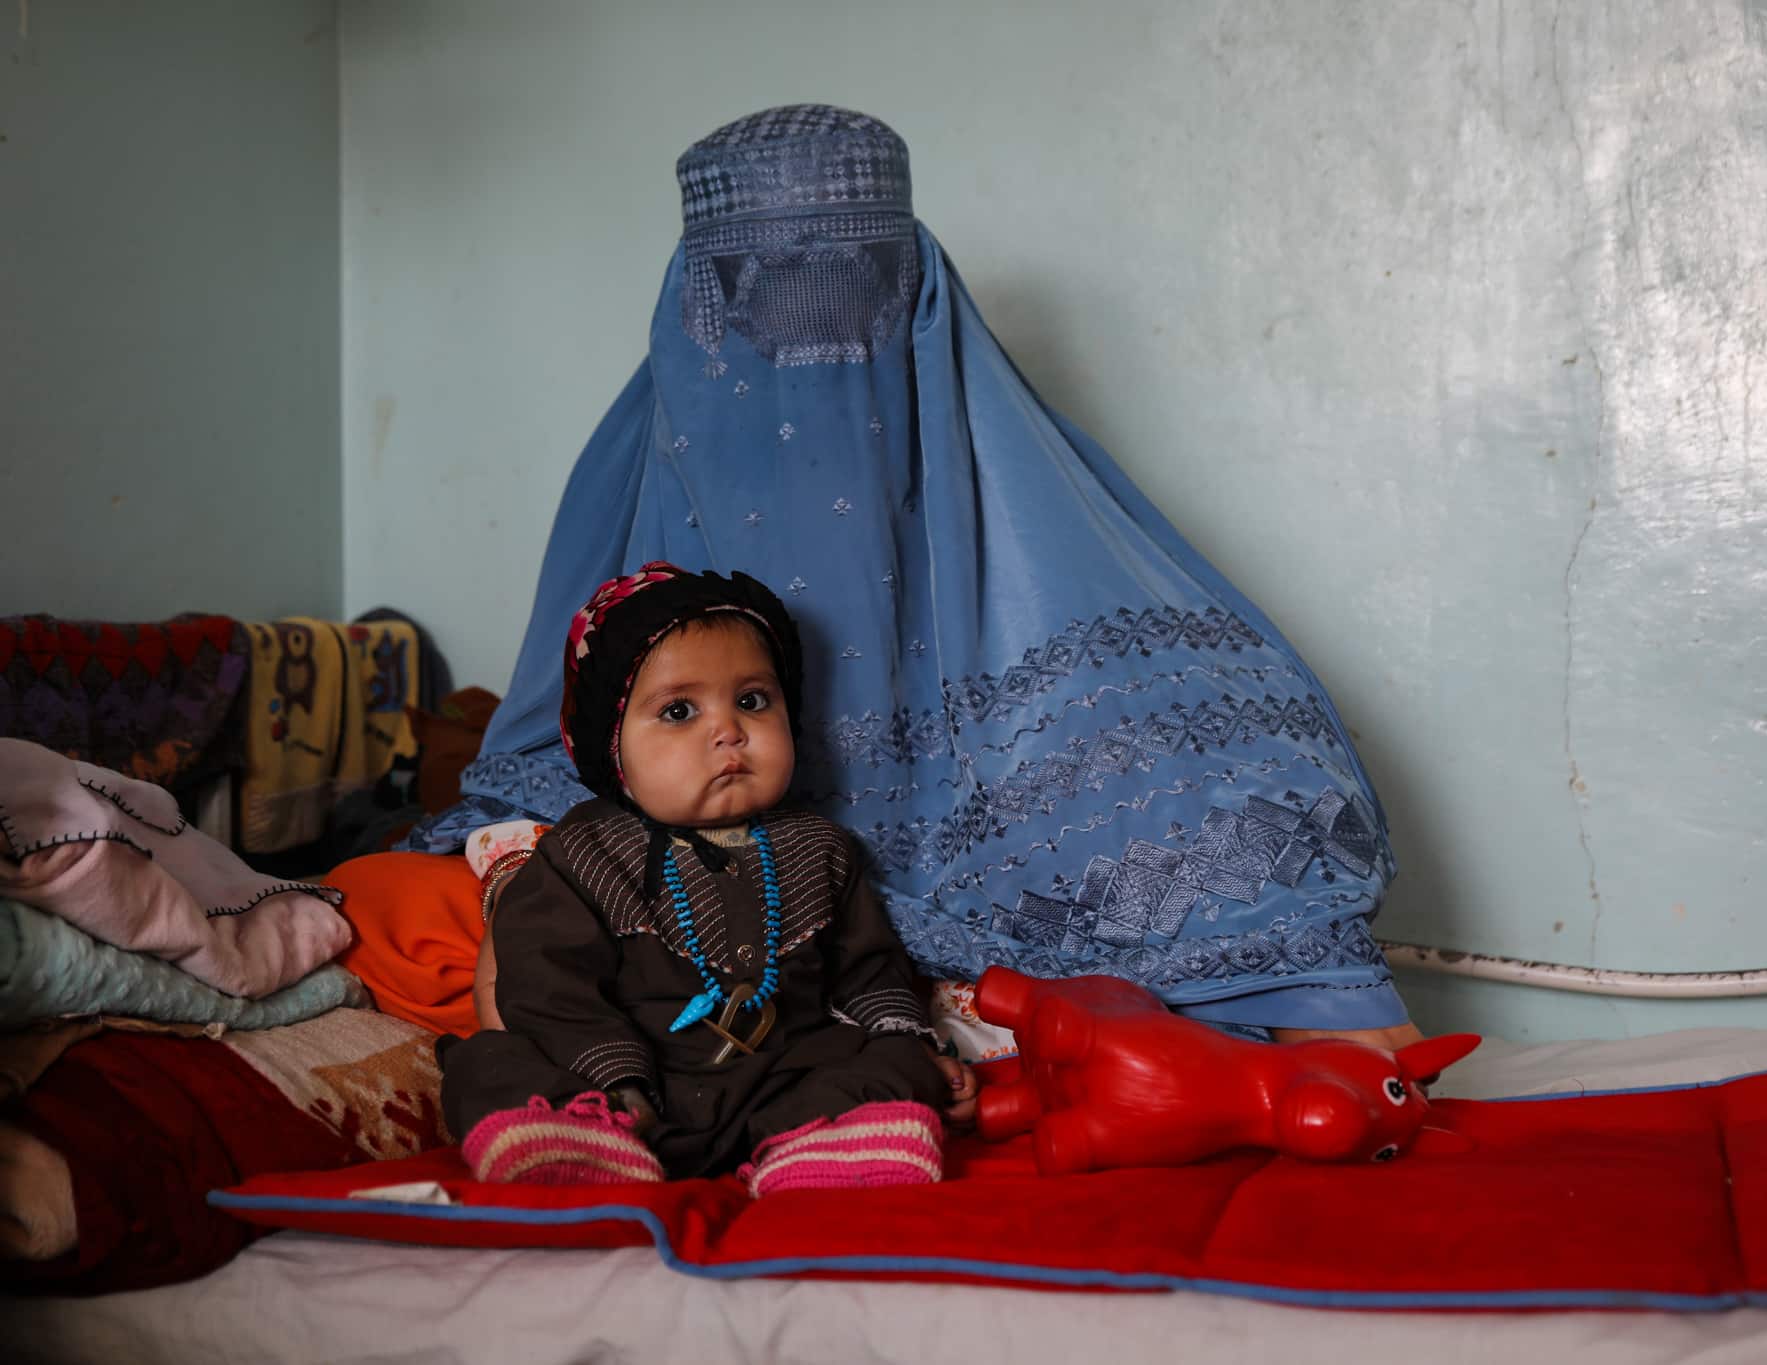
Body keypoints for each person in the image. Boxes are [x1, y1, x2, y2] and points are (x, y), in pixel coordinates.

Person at [408, 104, 1420, 1051]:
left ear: (922, 306)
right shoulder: (627, 487)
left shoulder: (1027, 501)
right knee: (435, 903)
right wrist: (519, 885)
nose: (812, 380)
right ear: (690, 322)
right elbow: (549, 752)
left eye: (852, 300)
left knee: (1264, 876)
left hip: (961, 875)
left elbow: (1223, 795)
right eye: (757, 313)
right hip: (703, 878)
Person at [439, 564, 976, 1194]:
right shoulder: (582, 853)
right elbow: (548, 988)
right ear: (612, 750)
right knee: (483, 1060)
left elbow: (869, 972)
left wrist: (911, 1043)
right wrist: (618, 1081)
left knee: (896, 1056)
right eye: (678, 710)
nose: (728, 731)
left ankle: (819, 1149)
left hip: (787, 1079)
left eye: (752, 700)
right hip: (634, 1089)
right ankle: (585, 1141)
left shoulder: (821, 848)